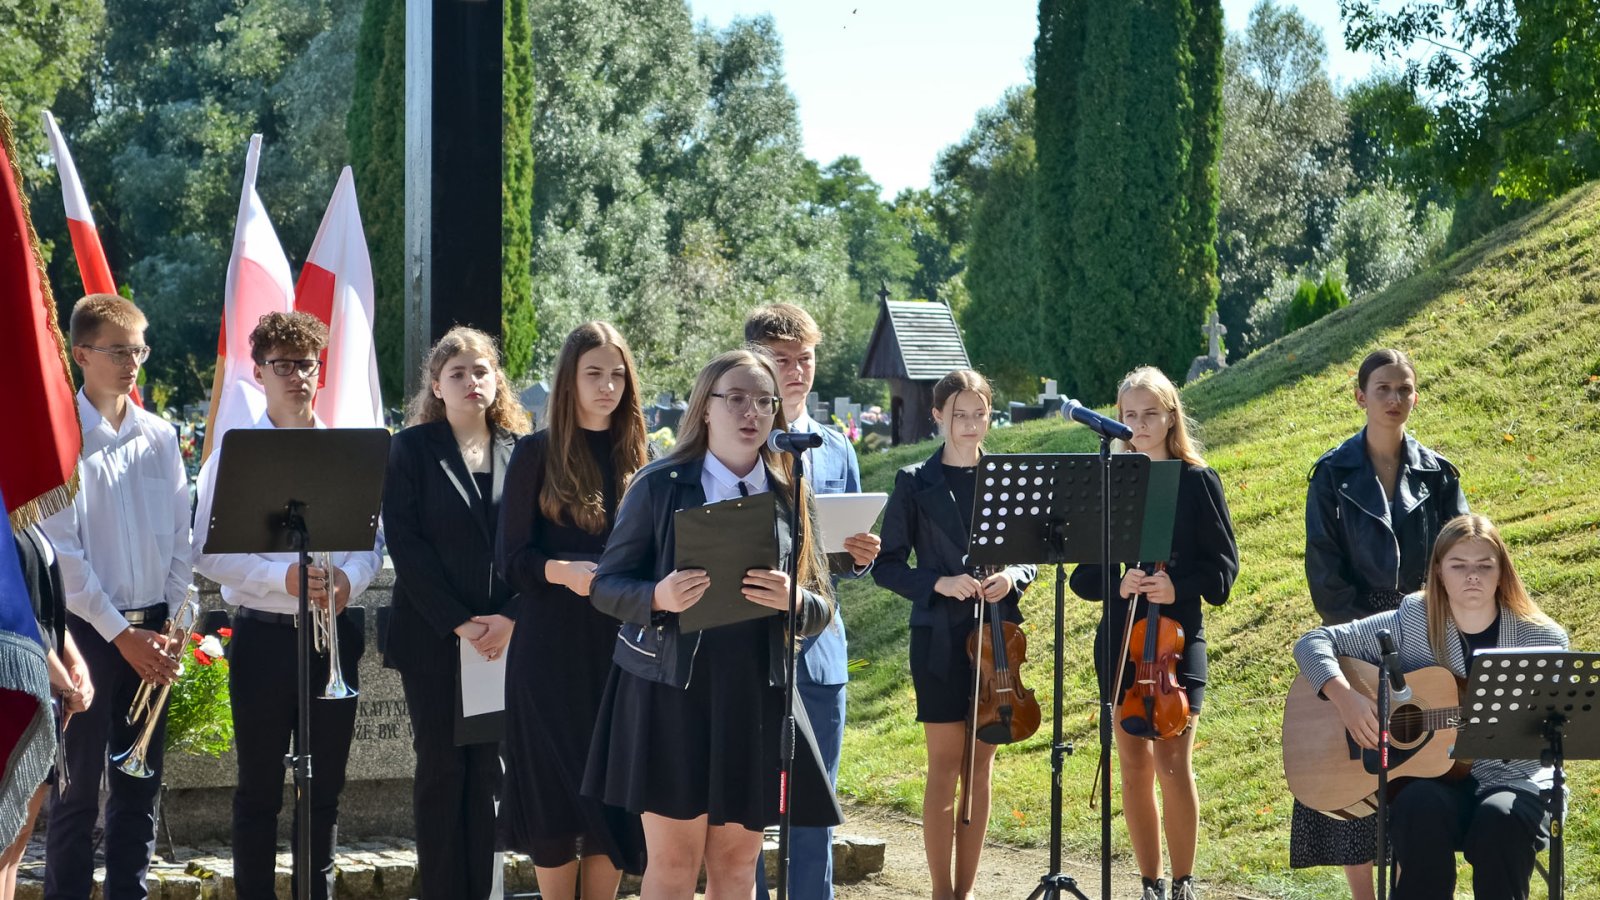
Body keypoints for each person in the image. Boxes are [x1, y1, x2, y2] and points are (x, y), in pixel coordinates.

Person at [583, 348, 842, 900]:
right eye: (736, 399)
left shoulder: (789, 492)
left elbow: (823, 604)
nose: (752, 413)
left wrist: (795, 599)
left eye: (764, 402)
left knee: (737, 866)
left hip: (754, 695)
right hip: (670, 696)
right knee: (674, 865)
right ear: (705, 408)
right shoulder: (659, 484)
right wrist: (658, 595)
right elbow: (606, 586)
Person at [192, 311, 383, 900]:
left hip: (333, 633)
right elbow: (206, 552)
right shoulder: (234, 456)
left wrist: (349, 579)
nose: (297, 376)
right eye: (283, 365)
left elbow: (372, 541)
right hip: (264, 638)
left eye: (307, 364)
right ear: (259, 372)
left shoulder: (348, 453)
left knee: (324, 791)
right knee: (258, 792)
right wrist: (286, 578)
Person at [1294, 513, 1565, 899]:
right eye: (1459, 565)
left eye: (1484, 565)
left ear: (1502, 571)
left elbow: (1554, 726)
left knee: (1500, 819)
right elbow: (1312, 643)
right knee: (1416, 806)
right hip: (1435, 782)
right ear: (1439, 571)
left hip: (1512, 780)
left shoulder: (1542, 638)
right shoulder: (1414, 619)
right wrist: (1345, 698)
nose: (1472, 576)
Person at [1295, 348, 1470, 899]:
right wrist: (1363, 661)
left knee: (1413, 775)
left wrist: (1422, 631)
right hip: (1355, 638)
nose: (1395, 398)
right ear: (1360, 397)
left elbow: (1463, 557)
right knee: (1352, 777)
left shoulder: (1439, 474)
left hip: (1424, 632)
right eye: (1383, 389)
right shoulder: (1331, 474)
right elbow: (1324, 572)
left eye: (1404, 389)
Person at [39, 294, 191, 900]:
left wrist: (171, 622)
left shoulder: (160, 436)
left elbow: (180, 539)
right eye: (119, 351)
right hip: (87, 634)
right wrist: (122, 636)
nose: (132, 364)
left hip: (154, 628)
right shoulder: (62, 439)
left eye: (139, 351)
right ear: (81, 355)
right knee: (76, 793)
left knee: (140, 788)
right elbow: (64, 558)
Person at [1067, 367, 1238, 900]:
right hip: (1121, 641)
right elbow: (1082, 578)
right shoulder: (1110, 485)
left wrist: (1175, 585)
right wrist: (1118, 583)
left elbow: (1223, 570)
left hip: (1177, 642)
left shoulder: (1197, 481)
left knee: (1172, 763)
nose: (1139, 425)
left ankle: (1184, 883)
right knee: (1134, 765)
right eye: (1129, 415)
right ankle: (1150, 884)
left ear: (1171, 417)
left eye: (1150, 414)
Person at [496, 322, 650, 899]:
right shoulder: (535, 453)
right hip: (550, 650)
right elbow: (510, 560)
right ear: (569, 380)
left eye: (617, 375)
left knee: (613, 802)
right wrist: (563, 572)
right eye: (594, 374)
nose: (607, 386)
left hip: (621, 651)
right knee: (554, 802)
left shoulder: (641, 457)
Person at [873, 369, 1036, 900]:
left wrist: (1013, 576)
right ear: (938, 416)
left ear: (990, 415)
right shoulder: (913, 482)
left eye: (979, 414)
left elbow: (1033, 552)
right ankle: (941, 893)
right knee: (944, 766)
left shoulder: (1007, 478)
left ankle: (965, 892)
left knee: (981, 766)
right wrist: (939, 583)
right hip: (939, 640)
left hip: (998, 640)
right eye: (959, 415)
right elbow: (887, 566)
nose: (970, 424)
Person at [382, 327, 530, 899]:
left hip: (502, 638)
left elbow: (535, 543)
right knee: (443, 770)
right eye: (458, 373)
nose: (472, 381)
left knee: (488, 771)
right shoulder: (411, 449)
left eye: (482, 371)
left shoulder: (522, 450)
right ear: (437, 386)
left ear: (497, 380)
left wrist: (510, 617)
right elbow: (407, 545)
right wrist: (460, 623)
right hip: (435, 639)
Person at [744, 303, 880, 900]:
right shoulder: (738, 442)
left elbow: (840, 562)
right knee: (744, 814)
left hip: (820, 651)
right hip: (749, 646)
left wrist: (860, 555)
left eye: (805, 359)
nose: (797, 371)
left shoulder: (836, 446)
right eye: (783, 360)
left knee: (814, 811)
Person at [2, 524, 93, 900]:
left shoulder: (28, 518)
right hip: (14, 691)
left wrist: (76, 662)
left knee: (16, 843)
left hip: (40, 695)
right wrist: (64, 681)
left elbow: (47, 610)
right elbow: (14, 611)